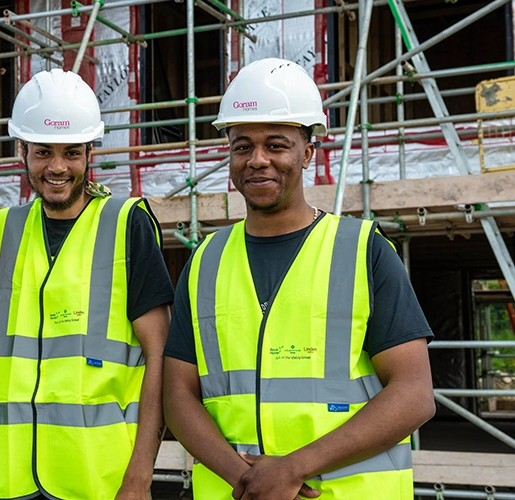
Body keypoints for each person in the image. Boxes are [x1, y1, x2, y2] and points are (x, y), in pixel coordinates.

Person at [0, 69, 175, 500]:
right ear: (22, 149)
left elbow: (160, 358)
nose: (57, 167)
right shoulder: (1, 229)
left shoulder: (125, 224)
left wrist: (139, 477)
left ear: (89, 151)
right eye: (43, 152)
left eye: (71, 152)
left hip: (101, 481)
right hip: (10, 481)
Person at [162, 58, 435, 500]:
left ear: (309, 151)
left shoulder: (363, 251)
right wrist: (243, 477)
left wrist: (293, 469)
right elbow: (177, 394)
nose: (258, 160)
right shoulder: (205, 260)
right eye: (241, 146)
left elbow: (414, 394)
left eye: (276, 145)